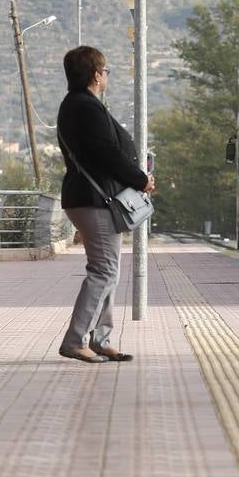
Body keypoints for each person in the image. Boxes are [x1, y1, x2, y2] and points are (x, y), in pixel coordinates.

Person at [55, 46, 154, 364]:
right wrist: (140, 179)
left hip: (90, 198)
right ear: (96, 74)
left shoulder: (79, 105)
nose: (107, 75)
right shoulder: (85, 107)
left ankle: (100, 338)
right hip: (92, 199)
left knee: (108, 270)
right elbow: (106, 154)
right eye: (106, 70)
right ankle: (76, 340)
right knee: (104, 270)